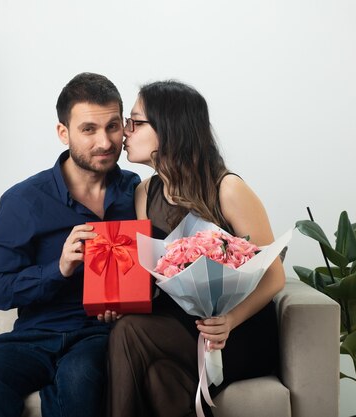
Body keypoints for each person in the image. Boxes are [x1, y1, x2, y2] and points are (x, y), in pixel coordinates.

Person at [0, 72, 140, 417]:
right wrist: (58, 268)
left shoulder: (137, 193)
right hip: (33, 336)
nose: (104, 142)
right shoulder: (23, 200)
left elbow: (158, 269)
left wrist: (127, 304)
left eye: (113, 127)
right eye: (88, 129)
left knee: (80, 378)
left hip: (98, 337)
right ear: (63, 133)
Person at [107, 80, 285, 417]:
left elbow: (273, 275)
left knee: (129, 331)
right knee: (162, 380)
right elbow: (156, 275)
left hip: (237, 334)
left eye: (135, 121)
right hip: (182, 326)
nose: (125, 132)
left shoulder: (227, 189)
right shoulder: (145, 193)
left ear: (169, 128)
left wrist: (229, 321)